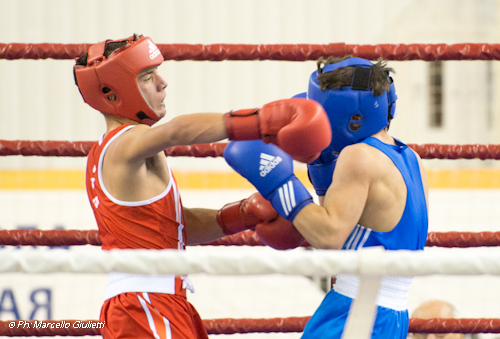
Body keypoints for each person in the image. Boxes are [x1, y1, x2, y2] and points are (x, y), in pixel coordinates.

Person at [73, 34, 331, 339]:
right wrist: (261, 122)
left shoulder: (118, 152)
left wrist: (242, 215)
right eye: (147, 76)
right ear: (112, 94)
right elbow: (176, 131)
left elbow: (175, 228)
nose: (162, 83)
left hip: (158, 302)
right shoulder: (123, 145)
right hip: (146, 306)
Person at [224, 56, 429, 339]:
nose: (315, 120)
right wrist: (322, 171)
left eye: (321, 110)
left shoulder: (358, 156)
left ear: (352, 117)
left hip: (357, 311)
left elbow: (329, 236)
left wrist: (278, 182)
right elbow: (354, 236)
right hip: (390, 315)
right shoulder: (411, 158)